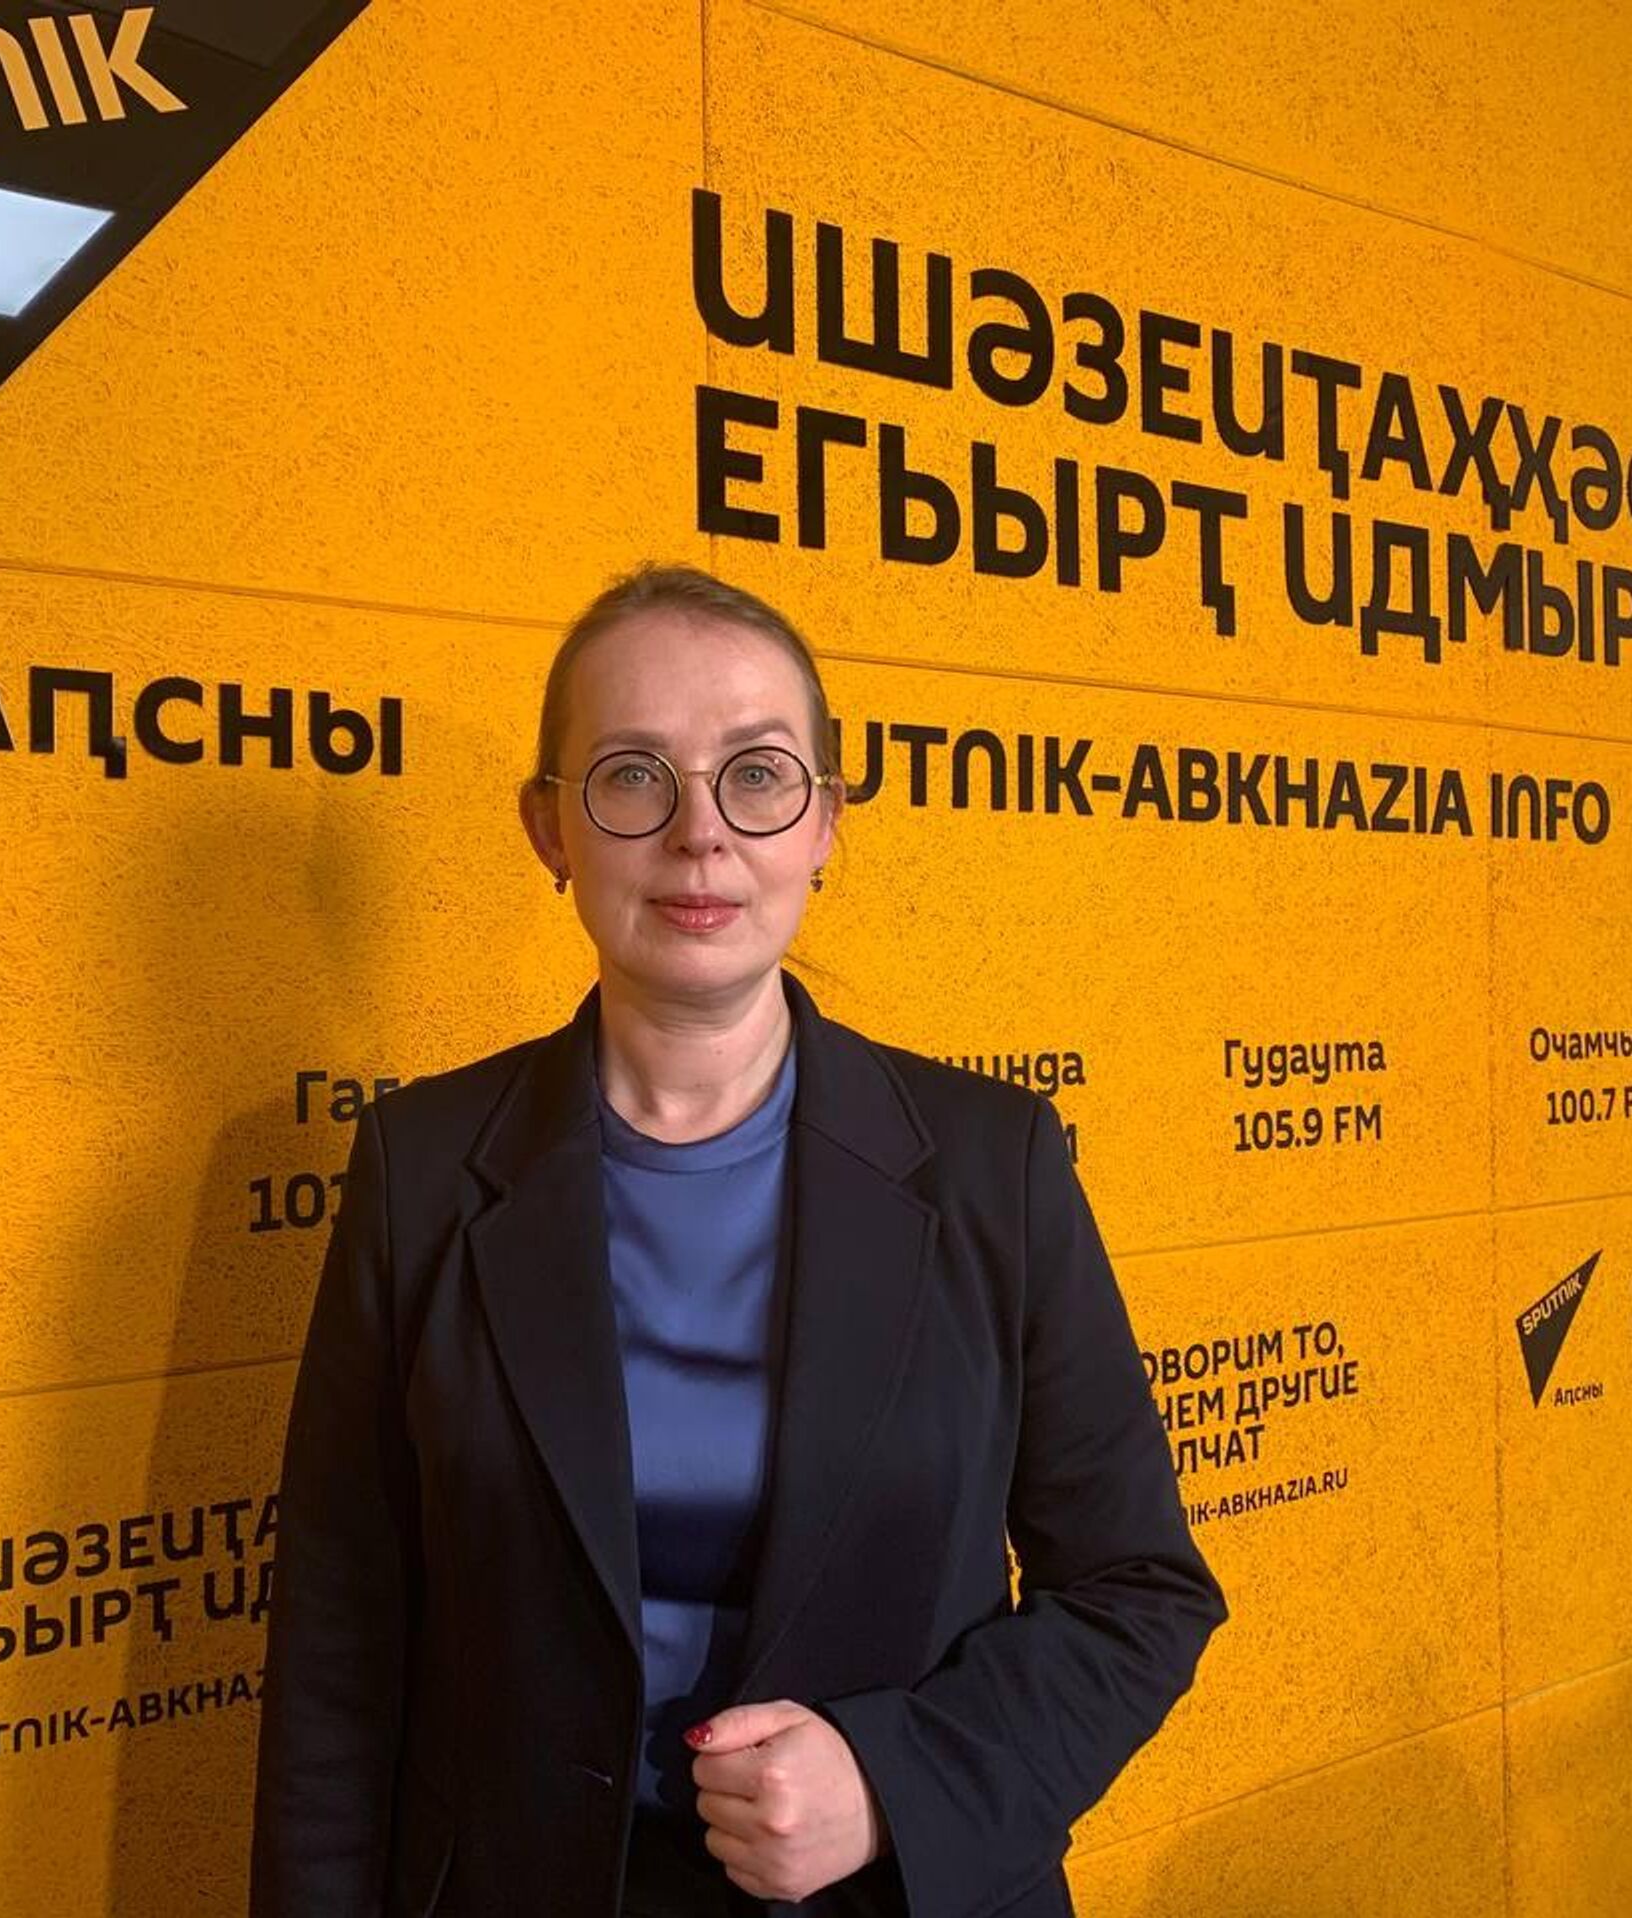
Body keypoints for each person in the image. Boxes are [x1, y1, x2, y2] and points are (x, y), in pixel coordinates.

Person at [250, 562, 1229, 1918]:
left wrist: (895, 1781)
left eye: (757, 775)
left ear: (824, 820)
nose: (699, 834)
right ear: (550, 828)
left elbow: (1138, 1590)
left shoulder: (994, 1165)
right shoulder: (420, 1170)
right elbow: (339, 1641)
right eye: (633, 776)